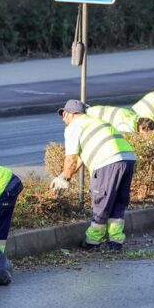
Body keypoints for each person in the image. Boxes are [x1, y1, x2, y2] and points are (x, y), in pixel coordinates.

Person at [50, 99, 136, 251]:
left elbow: (71, 158)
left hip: (108, 162)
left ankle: (93, 242)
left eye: (63, 115)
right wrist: (65, 176)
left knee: (101, 201)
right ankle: (115, 242)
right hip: (128, 159)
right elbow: (79, 161)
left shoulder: (74, 127)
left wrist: (63, 179)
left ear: (68, 114)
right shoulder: (95, 122)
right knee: (117, 202)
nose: (63, 119)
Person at [85, 105, 154, 133]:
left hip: (91, 110)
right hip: (89, 118)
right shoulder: (128, 128)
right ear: (141, 128)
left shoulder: (132, 116)